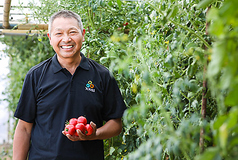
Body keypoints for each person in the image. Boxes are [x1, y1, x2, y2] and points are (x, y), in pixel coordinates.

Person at [13, 10, 127, 160]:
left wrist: (95, 134)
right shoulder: (36, 76)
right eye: (59, 33)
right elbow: (24, 129)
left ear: (83, 34)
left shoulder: (102, 75)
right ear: (50, 38)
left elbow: (116, 123)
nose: (66, 39)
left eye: (72, 32)